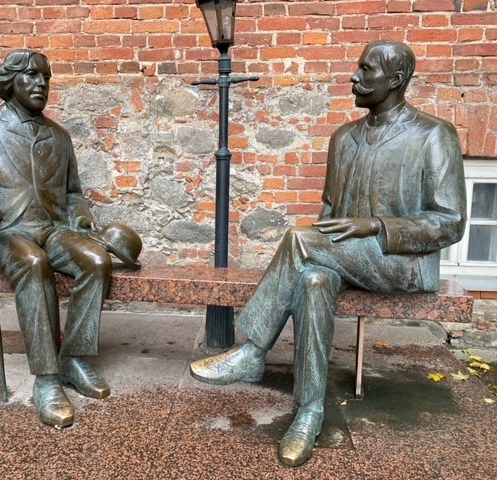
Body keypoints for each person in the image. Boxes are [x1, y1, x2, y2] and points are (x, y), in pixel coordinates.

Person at [190, 41, 467, 467]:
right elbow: (329, 213)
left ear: (395, 80)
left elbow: (450, 222)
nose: (354, 76)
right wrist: (331, 236)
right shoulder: (344, 138)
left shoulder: (434, 135)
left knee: (300, 241)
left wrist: (374, 226)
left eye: (365, 69)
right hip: (340, 258)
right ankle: (309, 412)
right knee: (312, 280)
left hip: (401, 263)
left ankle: (253, 351)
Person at [0, 50, 141, 428]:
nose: (41, 84)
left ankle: (73, 359)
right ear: (10, 82)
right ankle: (47, 380)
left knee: (96, 261)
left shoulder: (59, 135)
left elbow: (73, 194)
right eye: (32, 76)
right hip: (4, 234)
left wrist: (81, 216)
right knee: (34, 264)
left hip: (53, 229)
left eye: (46, 78)